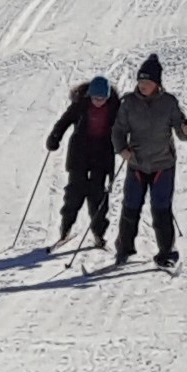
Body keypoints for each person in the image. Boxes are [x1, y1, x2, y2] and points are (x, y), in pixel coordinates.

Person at [108, 53, 187, 270]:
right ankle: (124, 249)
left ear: (157, 83)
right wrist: (122, 150)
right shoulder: (128, 102)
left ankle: (166, 252)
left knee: (161, 210)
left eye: (147, 82)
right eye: (140, 81)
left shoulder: (169, 103)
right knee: (130, 208)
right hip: (137, 163)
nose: (143, 85)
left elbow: (182, 131)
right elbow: (118, 130)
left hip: (163, 165)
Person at [42, 75, 119, 247]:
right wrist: (55, 137)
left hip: (102, 155)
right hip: (80, 154)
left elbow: (125, 126)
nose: (99, 101)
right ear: (89, 95)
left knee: (98, 196)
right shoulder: (80, 105)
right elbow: (64, 121)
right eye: (95, 98)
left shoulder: (115, 107)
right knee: (74, 193)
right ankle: (66, 228)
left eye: (102, 98)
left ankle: (99, 233)